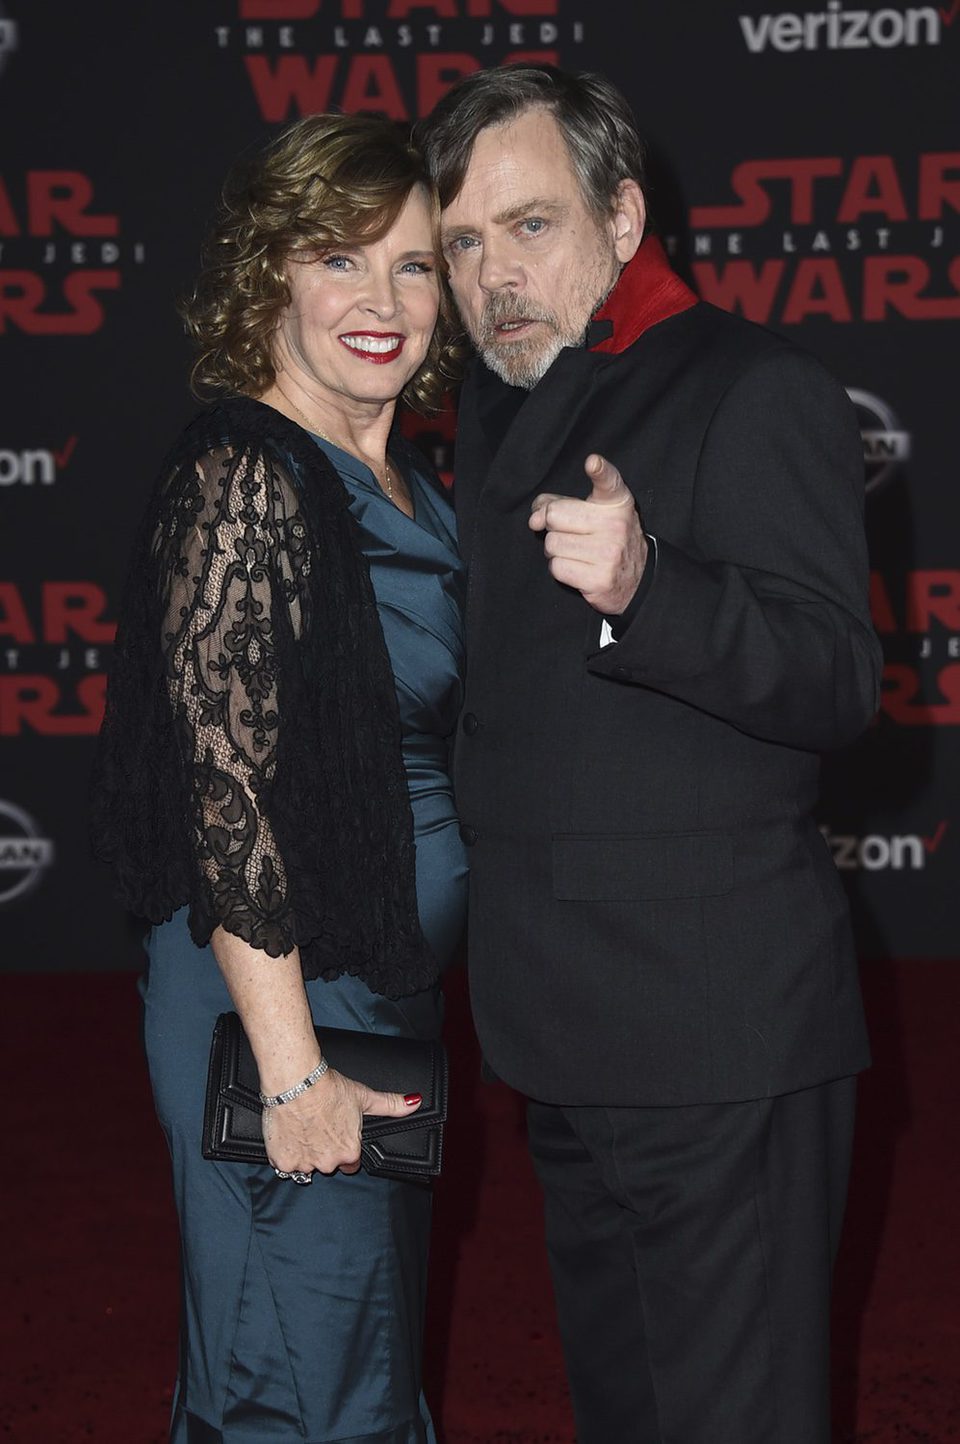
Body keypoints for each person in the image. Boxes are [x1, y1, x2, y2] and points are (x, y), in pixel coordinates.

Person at [415, 64, 882, 1444]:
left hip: (715, 1033)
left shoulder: (755, 388)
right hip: (564, 1028)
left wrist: (652, 588)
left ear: (623, 219)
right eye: (463, 242)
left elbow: (840, 680)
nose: (495, 273)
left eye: (531, 225)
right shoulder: (500, 405)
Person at [90, 112, 466, 1443]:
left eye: (413, 265)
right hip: (279, 1001)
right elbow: (225, 794)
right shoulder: (250, 473)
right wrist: (293, 1068)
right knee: (301, 1384)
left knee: (351, 1353)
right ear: (269, 278)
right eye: (338, 258)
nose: (381, 299)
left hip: (379, 984)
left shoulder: (413, 483)